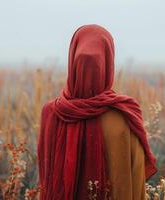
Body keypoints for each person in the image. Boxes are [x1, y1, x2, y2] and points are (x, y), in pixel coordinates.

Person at [37, 24, 157, 200]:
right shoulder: (125, 116)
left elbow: (46, 182)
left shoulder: (50, 113)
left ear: (72, 58)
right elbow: (135, 182)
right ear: (109, 61)